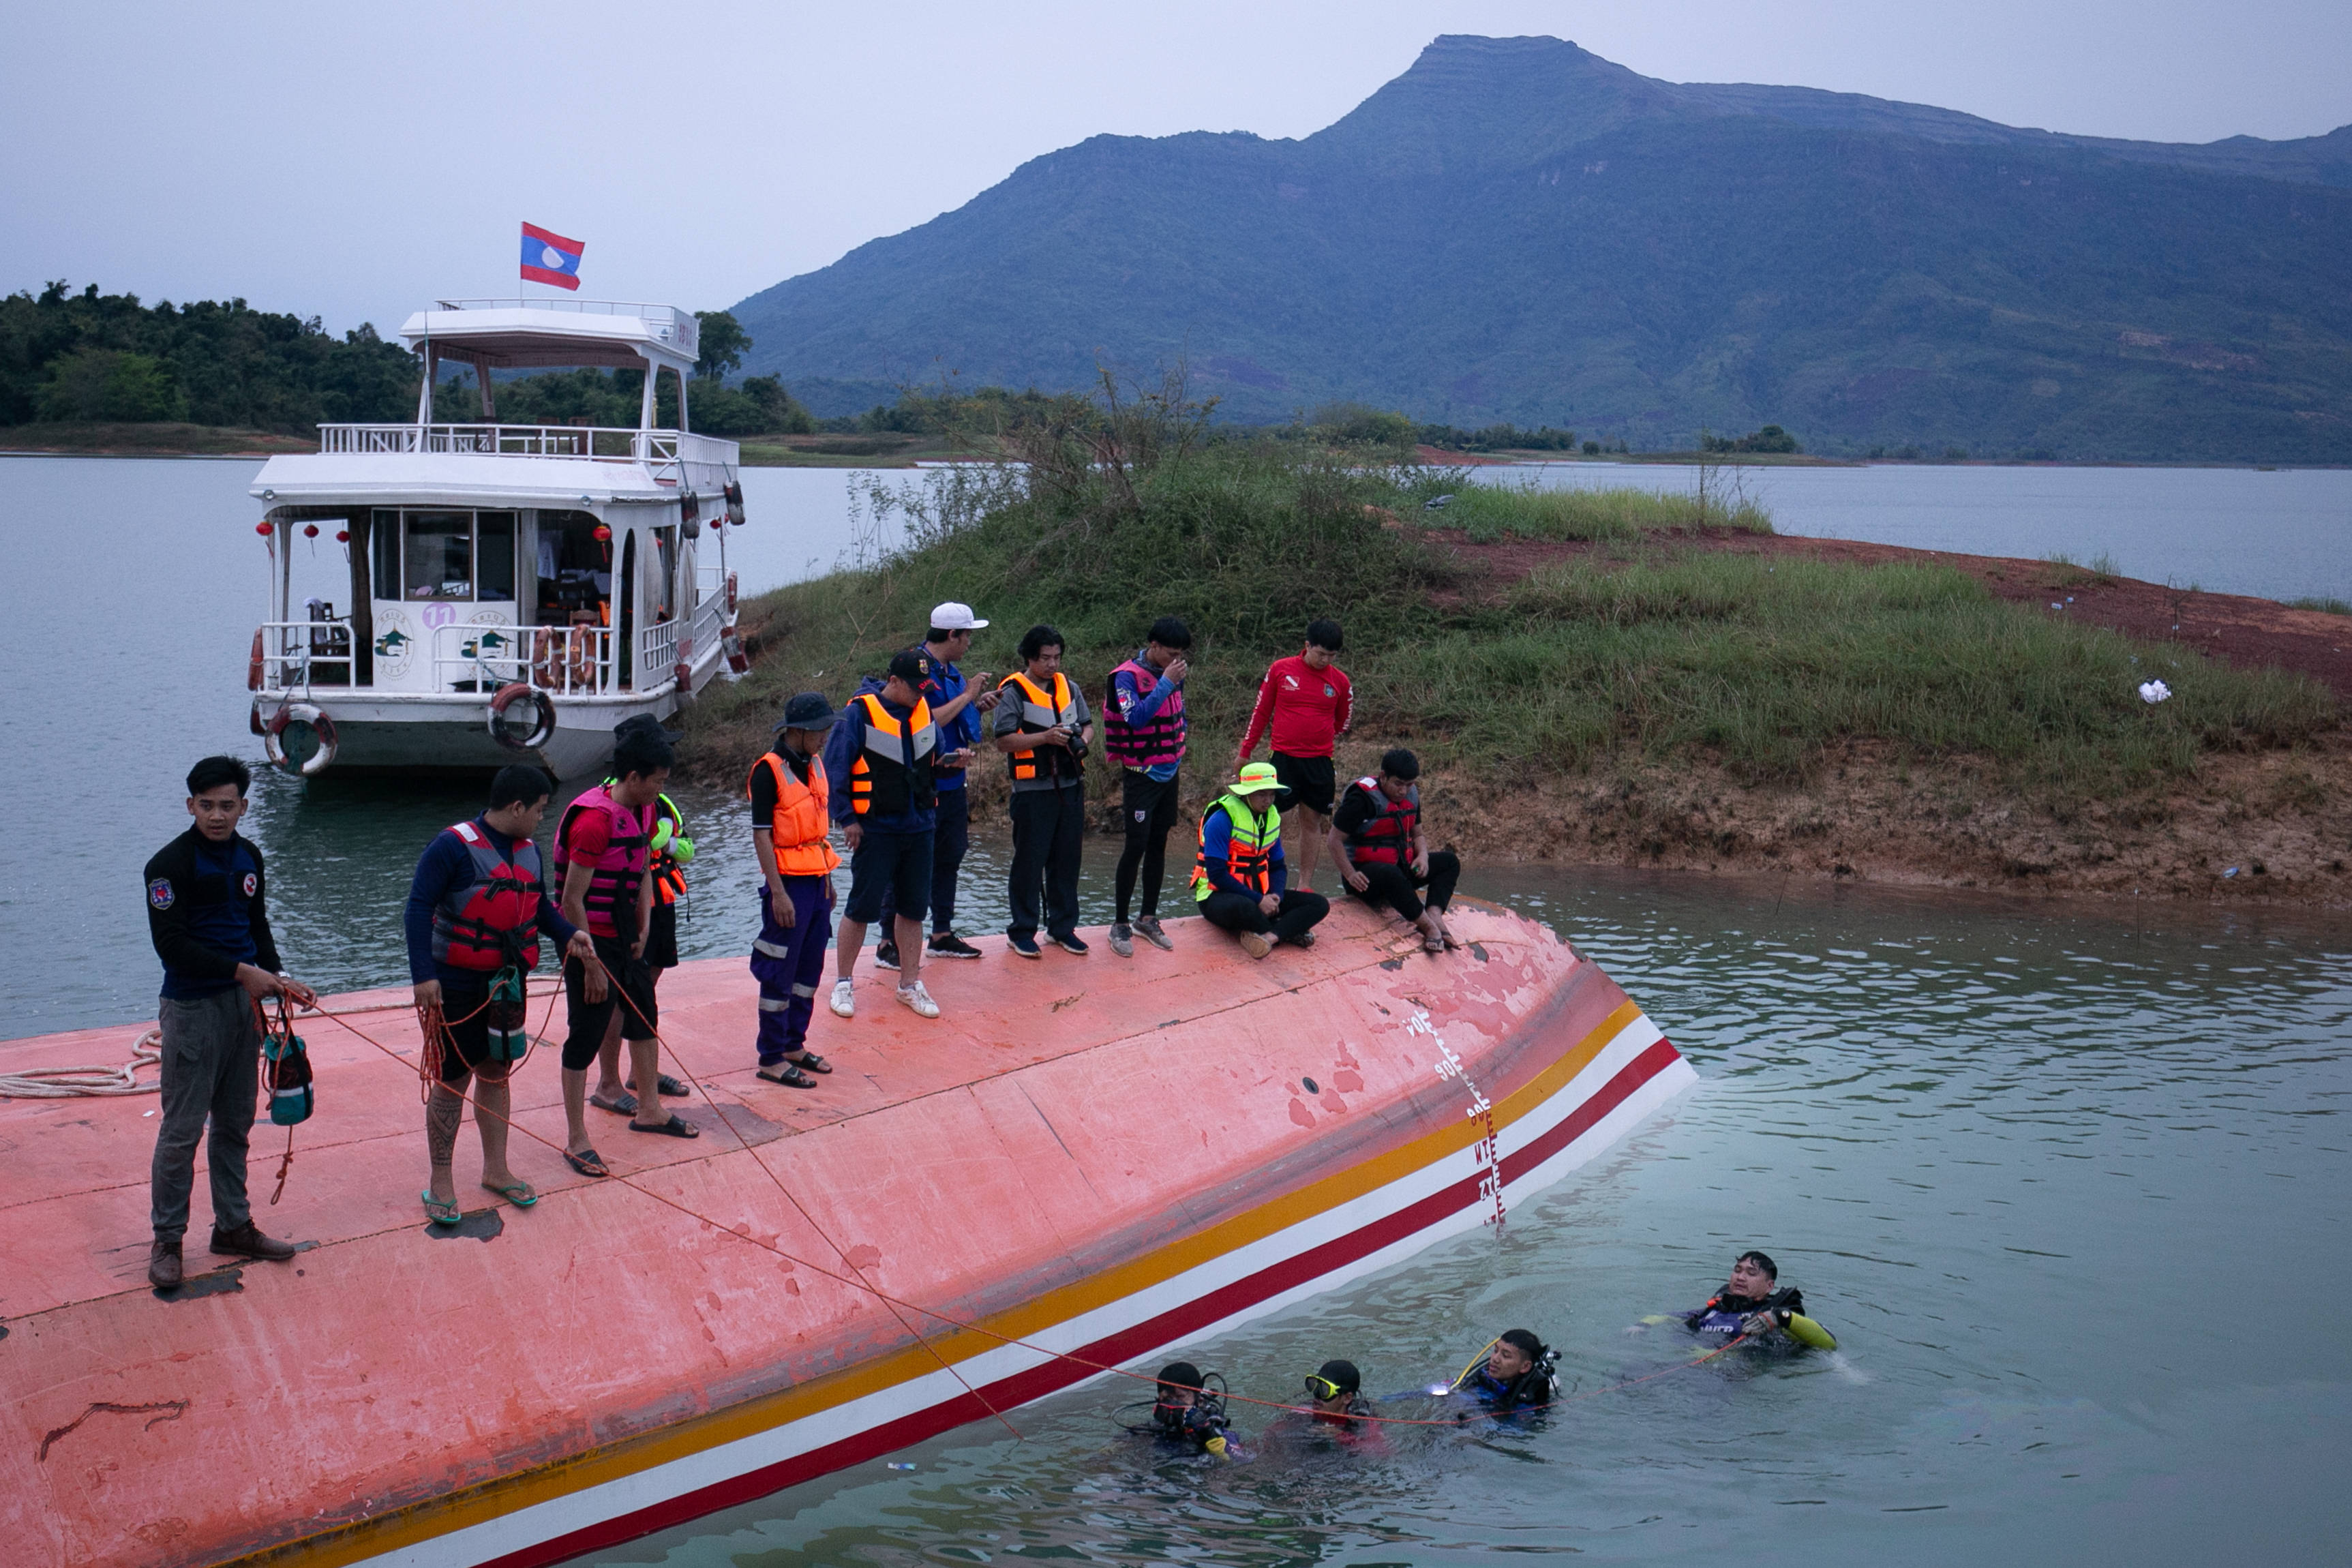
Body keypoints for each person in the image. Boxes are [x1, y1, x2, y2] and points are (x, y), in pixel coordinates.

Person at [142, 755, 318, 1290]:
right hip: (194, 1009)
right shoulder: (168, 865)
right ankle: (168, 1239)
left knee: (236, 1122)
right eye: (205, 806)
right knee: (180, 1131)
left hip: (245, 1010)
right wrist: (245, 973)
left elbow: (255, 923)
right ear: (189, 805)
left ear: (243, 806)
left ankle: (233, 1225)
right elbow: (170, 946)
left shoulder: (250, 857)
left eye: (227, 806)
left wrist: (279, 977)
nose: (216, 816)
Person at [404, 764, 598, 1223]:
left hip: (507, 982)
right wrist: (422, 975)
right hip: (455, 982)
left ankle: (496, 1169)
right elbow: (418, 908)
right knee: (453, 1077)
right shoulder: (451, 846)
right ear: (515, 807)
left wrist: (571, 934)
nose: (540, 819)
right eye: (538, 810)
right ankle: (441, 1180)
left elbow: (541, 909)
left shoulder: (529, 853)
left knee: (497, 1069)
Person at [554, 729, 694, 1176]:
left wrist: (645, 922)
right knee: (586, 1033)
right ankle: (577, 1138)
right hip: (588, 938)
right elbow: (571, 900)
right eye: (657, 780)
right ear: (633, 776)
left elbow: (640, 869)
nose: (661, 788)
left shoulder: (646, 808)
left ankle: (650, 1108)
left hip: (626, 934)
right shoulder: (594, 821)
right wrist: (590, 962)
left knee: (644, 1013)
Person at [875, 603, 998, 969]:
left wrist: (980, 704)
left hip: (953, 781)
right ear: (951, 636)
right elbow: (924, 720)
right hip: (920, 785)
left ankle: (941, 934)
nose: (969, 643)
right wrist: (968, 696)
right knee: (907, 863)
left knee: (950, 855)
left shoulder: (953, 673)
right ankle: (887, 941)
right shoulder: (917, 671)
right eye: (967, 636)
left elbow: (954, 716)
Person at [824, 650, 944, 1018]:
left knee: (913, 910)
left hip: (920, 826)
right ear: (893, 682)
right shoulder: (857, 715)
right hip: (875, 828)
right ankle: (843, 982)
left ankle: (909, 984)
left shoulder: (922, 711)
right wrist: (848, 820)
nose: (921, 696)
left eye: (925, 689)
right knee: (861, 907)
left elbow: (932, 757)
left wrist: (954, 759)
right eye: (915, 688)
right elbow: (835, 771)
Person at [588, 714, 693, 1117]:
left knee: (646, 986)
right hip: (626, 909)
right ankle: (608, 1082)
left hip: (659, 901)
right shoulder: (610, 802)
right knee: (617, 996)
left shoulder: (656, 801)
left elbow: (676, 846)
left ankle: (639, 1072)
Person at [749, 693, 841, 1085]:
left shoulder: (815, 764)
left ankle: (793, 1043)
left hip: (817, 881)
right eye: (819, 731)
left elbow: (819, 831)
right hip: (788, 884)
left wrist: (829, 880)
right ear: (798, 731)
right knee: (779, 968)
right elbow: (762, 837)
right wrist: (779, 892)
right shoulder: (767, 771)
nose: (824, 739)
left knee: (809, 967)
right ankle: (770, 1056)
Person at [994, 623, 1093, 958]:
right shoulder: (1013, 692)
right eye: (1045, 658)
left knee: (1068, 860)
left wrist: (1080, 743)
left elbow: (1089, 726)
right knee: (1029, 862)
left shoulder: (1069, 687)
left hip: (1070, 787)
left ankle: (1062, 928)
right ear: (1029, 658)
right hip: (1031, 792)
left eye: (1057, 657)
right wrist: (1045, 738)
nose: (1052, 665)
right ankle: (1022, 931)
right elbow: (1003, 740)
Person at [1237, 619, 1351, 892]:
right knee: (1269, 816)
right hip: (1284, 758)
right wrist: (1246, 750)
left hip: (1320, 762)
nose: (1325, 660)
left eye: (1331, 656)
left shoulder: (1340, 682)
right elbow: (1261, 711)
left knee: (1311, 822)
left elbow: (1342, 723)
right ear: (1307, 646)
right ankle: (1261, 881)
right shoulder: (1281, 669)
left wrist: (1316, 733)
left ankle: (1305, 885)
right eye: (1320, 653)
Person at [1102, 616, 1192, 958]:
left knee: (1159, 843)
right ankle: (1120, 923)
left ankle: (1148, 918)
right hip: (1141, 775)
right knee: (1135, 845)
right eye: (1171, 653)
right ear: (1153, 647)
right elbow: (1136, 718)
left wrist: (1169, 681)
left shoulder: (1174, 673)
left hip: (1169, 771)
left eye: (1181, 654)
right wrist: (1166, 683)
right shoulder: (1124, 677)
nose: (1177, 660)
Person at [1190, 762, 1329, 959]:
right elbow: (1217, 874)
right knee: (1245, 908)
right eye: (1261, 794)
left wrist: (1276, 896)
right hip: (1217, 896)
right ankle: (1289, 931)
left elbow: (1278, 866)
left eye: (1272, 794)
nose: (1268, 801)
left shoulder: (1271, 818)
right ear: (1246, 793)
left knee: (1319, 904)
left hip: (1260, 894)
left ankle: (1271, 937)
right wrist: (1258, 900)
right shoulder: (1221, 820)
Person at [1331, 749, 1461, 954]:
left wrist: (1423, 856)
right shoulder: (1360, 799)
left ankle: (1434, 914)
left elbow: (1418, 835)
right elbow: (1334, 841)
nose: (1404, 791)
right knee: (1391, 874)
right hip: (1365, 880)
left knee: (1450, 862)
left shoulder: (1411, 794)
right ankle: (1428, 927)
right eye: (1398, 784)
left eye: (1409, 785)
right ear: (1383, 776)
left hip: (1398, 870)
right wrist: (1350, 874)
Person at [1681, 1250, 1838, 1350]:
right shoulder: (1718, 1307)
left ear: (1769, 1286)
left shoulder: (1768, 1319)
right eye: (1737, 1271)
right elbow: (1678, 1317)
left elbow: (1829, 1342)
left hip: (1734, 1377)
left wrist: (1782, 1318)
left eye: (1751, 1273)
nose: (1740, 1277)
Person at [1141, 1361, 1243, 1460]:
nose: (1173, 1405)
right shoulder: (1156, 1427)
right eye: (1167, 1398)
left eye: (1180, 1397)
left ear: (1198, 1398)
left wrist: (1209, 1435)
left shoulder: (1215, 1427)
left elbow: (1241, 1460)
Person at [1447, 1329, 1559, 1416]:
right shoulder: (1488, 1371)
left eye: (1506, 1356)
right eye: (1495, 1351)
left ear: (1525, 1366)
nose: (1495, 1359)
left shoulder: (1528, 1397)